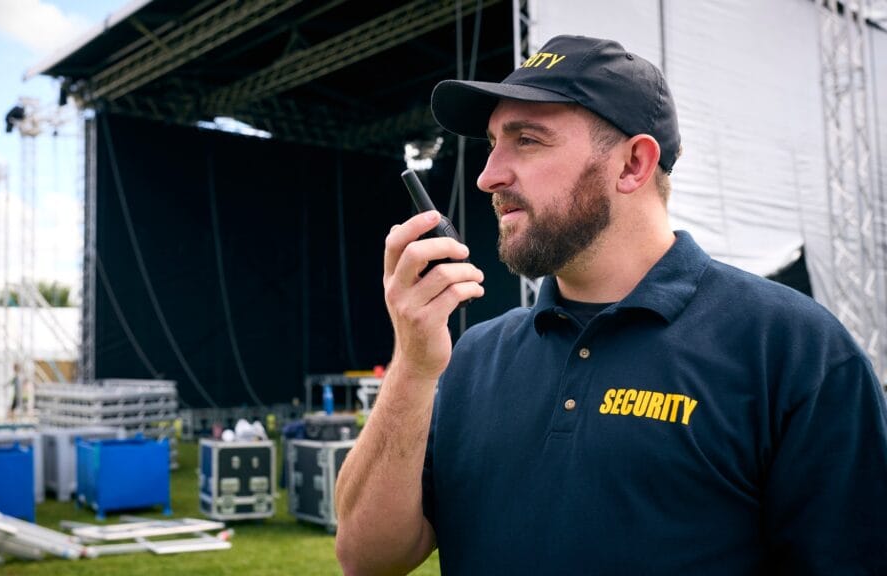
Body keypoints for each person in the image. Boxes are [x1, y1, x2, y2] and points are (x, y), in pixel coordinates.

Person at [335, 34, 887, 575]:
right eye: (492, 144)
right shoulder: (471, 357)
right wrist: (412, 366)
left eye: (527, 140)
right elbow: (366, 558)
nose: (488, 176)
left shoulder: (794, 351)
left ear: (632, 165)